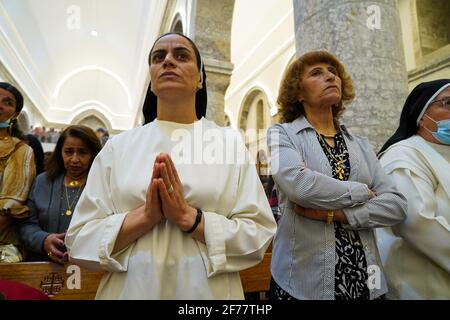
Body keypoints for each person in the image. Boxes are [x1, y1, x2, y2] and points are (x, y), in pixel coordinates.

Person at [65, 32, 276, 299]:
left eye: (181, 55)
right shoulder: (117, 148)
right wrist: (145, 217)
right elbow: (80, 239)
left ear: (200, 78)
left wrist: (190, 218)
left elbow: (258, 232)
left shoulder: (227, 144)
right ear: (152, 81)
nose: (168, 61)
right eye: (158, 57)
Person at [266, 51, 407, 300]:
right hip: (304, 284)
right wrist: (363, 192)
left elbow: (396, 206)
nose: (330, 76)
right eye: (316, 73)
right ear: (298, 93)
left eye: (333, 71)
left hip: (367, 282)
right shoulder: (282, 134)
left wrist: (338, 214)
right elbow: (300, 186)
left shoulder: (360, 144)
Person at [377, 79, 450, 299]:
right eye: (447, 103)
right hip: (422, 284)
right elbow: (417, 222)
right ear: (421, 116)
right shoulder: (403, 155)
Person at [19, 125, 101, 263]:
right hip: (40, 265)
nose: (74, 159)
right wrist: (44, 240)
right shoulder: (42, 182)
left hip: (89, 267)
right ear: (60, 152)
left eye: (82, 152)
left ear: (94, 154)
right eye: (68, 152)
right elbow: (27, 225)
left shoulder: (103, 186)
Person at [0, 82, 36, 263]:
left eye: (7, 102)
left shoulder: (21, 151)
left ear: (15, 114)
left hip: (3, 244)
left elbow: (10, 207)